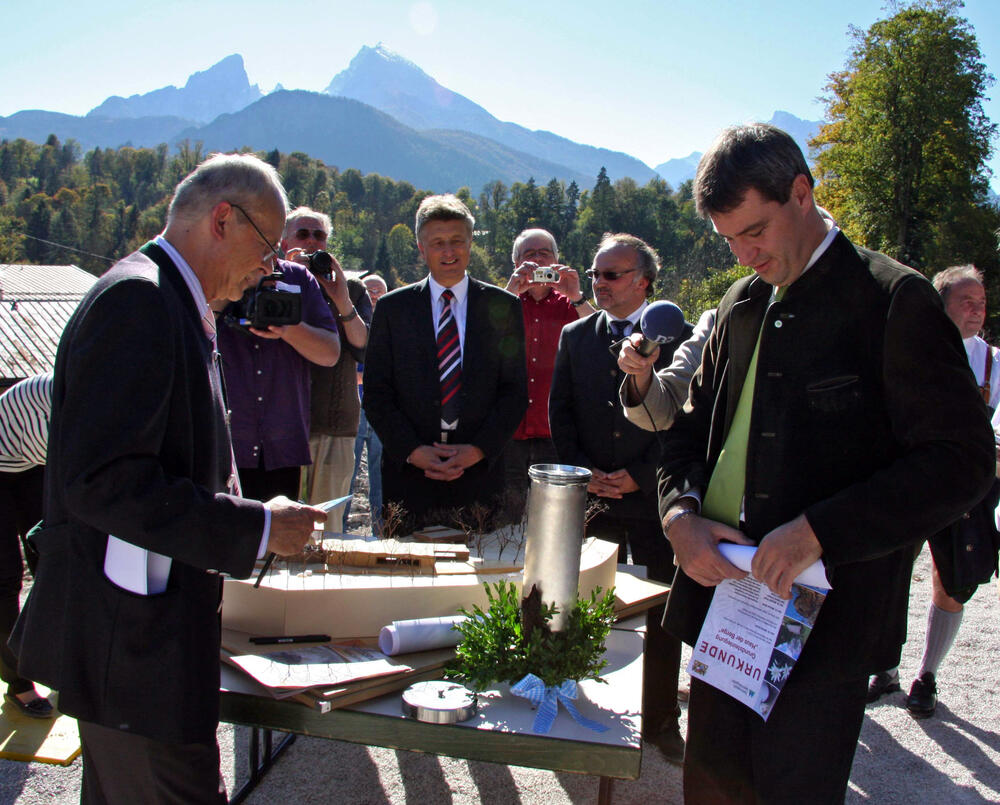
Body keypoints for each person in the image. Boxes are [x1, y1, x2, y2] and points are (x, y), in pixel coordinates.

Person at [656, 124, 994, 803]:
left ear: (802, 193)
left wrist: (819, 530)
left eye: (754, 231)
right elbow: (685, 436)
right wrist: (679, 515)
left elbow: (964, 462)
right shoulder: (738, 305)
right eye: (728, 239)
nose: (743, 253)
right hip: (728, 612)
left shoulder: (893, 299)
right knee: (714, 794)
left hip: (826, 630)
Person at [11, 153, 324, 804]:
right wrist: (259, 526)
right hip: (132, 653)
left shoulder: (168, 298)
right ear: (222, 219)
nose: (271, 269)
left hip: (144, 647)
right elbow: (104, 484)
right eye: (268, 249)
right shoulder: (140, 302)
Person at [548, 233, 693, 764]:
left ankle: (659, 719)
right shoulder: (575, 336)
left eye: (610, 275)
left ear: (642, 282)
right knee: (585, 602)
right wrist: (584, 472)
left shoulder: (681, 340)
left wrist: (639, 474)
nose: (598, 284)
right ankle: (580, 702)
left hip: (652, 499)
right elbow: (559, 413)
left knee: (661, 611)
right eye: (594, 275)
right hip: (593, 498)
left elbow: (685, 425)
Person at [867, 264, 1000, 716]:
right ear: (939, 303)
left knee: (951, 582)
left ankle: (927, 675)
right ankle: (883, 668)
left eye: (981, 302)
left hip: (965, 491)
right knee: (887, 576)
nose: (977, 309)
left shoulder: (994, 363)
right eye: (967, 301)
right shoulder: (908, 348)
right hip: (907, 480)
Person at [363, 194, 527, 532]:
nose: (449, 252)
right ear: (421, 248)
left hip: (479, 476)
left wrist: (479, 450)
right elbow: (377, 392)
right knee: (407, 576)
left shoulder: (503, 306)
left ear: (470, 244)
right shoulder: (393, 309)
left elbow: (514, 392)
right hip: (409, 476)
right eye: (438, 243)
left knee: (482, 580)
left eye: (457, 241)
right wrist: (410, 449)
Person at [216, 206, 341, 504]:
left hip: (282, 437)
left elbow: (330, 353)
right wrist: (237, 283)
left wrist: (288, 328)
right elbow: (199, 323)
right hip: (228, 439)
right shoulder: (219, 273)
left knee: (279, 542)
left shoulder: (298, 279)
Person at [501, 228, 594, 521]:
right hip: (508, 429)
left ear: (557, 259)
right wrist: (509, 292)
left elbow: (600, 339)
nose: (538, 260)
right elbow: (480, 343)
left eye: (545, 253)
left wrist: (577, 295)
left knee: (554, 519)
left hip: (556, 428)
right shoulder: (503, 300)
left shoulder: (570, 304)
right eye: (529, 255)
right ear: (515, 263)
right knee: (504, 518)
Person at [288, 208, 372, 531]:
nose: (311, 242)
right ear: (284, 242)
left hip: (335, 424)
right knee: (284, 523)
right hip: (284, 425)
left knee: (328, 524)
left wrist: (342, 301)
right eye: (302, 234)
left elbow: (363, 348)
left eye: (319, 236)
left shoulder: (352, 287)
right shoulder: (271, 278)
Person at [0, 372, 53, 718]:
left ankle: (51, 662)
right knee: (5, 577)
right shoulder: (69, 403)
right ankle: (17, 681)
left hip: (30, 462)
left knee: (52, 564)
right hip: (3, 459)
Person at [618, 308, 715, 432]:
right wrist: (641, 369)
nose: (597, 286)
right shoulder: (720, 321)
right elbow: (668, 409)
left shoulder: (680, 326)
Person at [345, 273, 387, 534]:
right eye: (369, 291)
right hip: (353, 406)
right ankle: (338, 531)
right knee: (347, 474)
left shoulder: (391, 324)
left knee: (380, 475)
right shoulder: (351, 326)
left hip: (380, 408)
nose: (374, 296)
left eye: (379, 292)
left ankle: (382, 532)